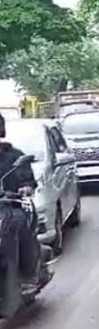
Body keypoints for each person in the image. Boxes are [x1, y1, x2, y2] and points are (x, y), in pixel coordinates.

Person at [0, 112, 40, 316]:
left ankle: (26, 276)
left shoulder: (14, 156)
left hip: (11, 207)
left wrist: (24, 188)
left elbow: (28, 181)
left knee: (14, 223)